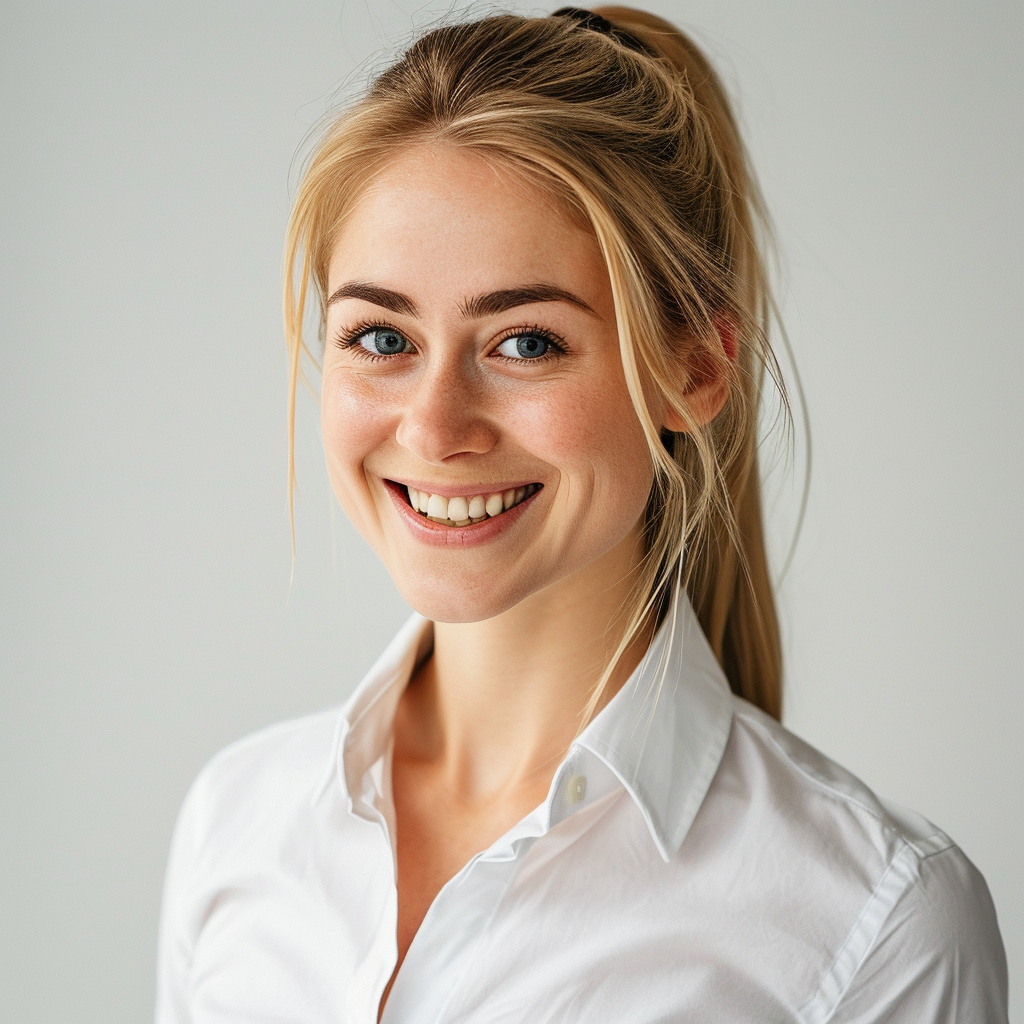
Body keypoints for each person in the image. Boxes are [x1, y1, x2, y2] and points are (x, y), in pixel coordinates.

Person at [155, 7, 1008, 1021]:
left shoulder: (875, 920)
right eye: (382, 338)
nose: (433, 428)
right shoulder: (236, 823)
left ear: (691, 370)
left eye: (525, 344)